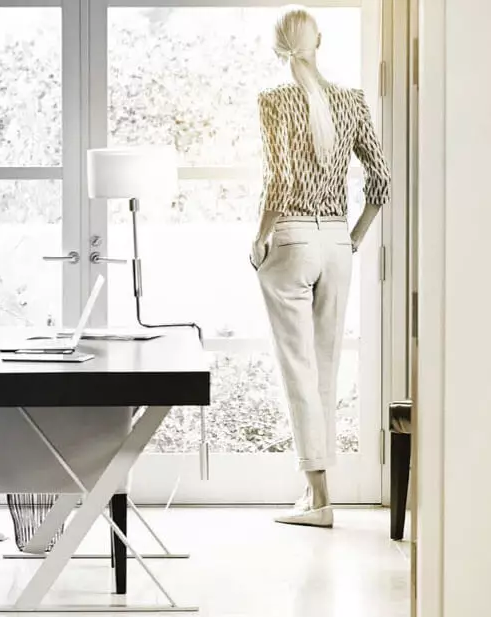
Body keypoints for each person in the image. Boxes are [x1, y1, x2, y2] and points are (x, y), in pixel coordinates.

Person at [249, 6, 391, 528]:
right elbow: (382, 183)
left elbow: (276, 179)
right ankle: (316, 495)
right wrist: (350, 239)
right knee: (324, 369)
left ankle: (319, 495)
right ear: (320, 41)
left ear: (278, 49)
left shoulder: (274, 102)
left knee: (298, 371)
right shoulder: (352, 102)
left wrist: (260, 236)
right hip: (334, 240)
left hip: (290, 237)